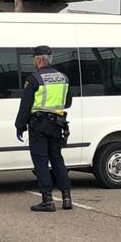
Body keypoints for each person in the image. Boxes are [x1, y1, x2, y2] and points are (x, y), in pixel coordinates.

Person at [15, 45, 73, 212]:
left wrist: (20, 126)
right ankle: (66, 198)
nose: (34, 61)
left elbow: (25, 106)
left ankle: (47, 200)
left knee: (41, 161)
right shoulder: (63, 78)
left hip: (39, 125)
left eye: (34, 58)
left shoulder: (34, 79)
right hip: (57, 124)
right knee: (57, 159)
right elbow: (67, 102)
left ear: (39, 59)